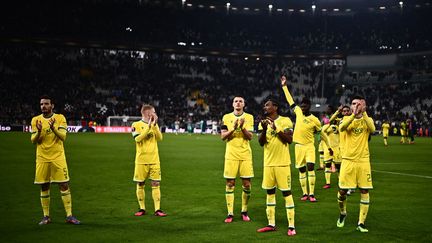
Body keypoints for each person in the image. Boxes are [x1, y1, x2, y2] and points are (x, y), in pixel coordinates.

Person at [30, 95, 80, 225]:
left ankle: (69, 216)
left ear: (52, 105)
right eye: (41, 104)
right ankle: (46, 217)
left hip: (58, 157)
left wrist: (53, 128)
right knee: (44, 186)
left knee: (64, 184)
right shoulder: (36, 120)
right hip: (42, 158)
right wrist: (39, 131)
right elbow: (33, 140)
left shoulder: (60, 118)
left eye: (46, 104)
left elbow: (63, 137)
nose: (43, 106)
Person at [281, 76, 324, 202]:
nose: (303, 108)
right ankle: (305, 193)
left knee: (310, 167)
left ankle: (312, 194)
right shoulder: (298, 111)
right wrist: (284, 87)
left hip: (309, 146)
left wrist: (326, 143)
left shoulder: (315, 120)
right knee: (301, 170)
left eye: (305, 106)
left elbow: (319, 132)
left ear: (309, 106)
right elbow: (290, 101)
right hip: (298, 146)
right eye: (302, 106)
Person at [256, 98, 296, 236]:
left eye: (267, 105)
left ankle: (291, 227)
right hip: (268, 164)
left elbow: (289, 140)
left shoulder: (285, 121)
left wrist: (276, 128)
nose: (265, 107)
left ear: (276, 107)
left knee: (286, 193)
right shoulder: (263, 122)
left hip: (282, 163)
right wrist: (265, 129)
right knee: (270, 193)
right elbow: (261, 143)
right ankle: (271, 224)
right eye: (264, 105)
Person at [336, 96, 375, 233]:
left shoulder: (367, 120)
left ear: (363, 105)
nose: (355, 106)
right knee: (342, 192)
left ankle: (361, 223)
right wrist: (353, 115)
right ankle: (343, 213)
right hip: (348, 160)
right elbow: (342, 128)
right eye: (353, 104)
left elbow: (373, 129)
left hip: (363, 161)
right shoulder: (346, 119)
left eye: (358, 104)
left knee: (364, 190)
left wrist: (363, 113)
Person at [221, 96, 254, 223]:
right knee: (230, 184)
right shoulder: (226, 117)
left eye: (240, 101)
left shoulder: (249, 117)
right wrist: (234, 128)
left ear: (244, 104)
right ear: (232, 104)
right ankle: (230, 213)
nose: (238, 103)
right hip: (231, 155)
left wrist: (242, 127)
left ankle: (244, 211)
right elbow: (223, 136)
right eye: (236, 101)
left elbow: (250, 136)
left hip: (245, 154)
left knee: (246, 184)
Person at [132, 104, 167, 217]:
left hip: (154, 160)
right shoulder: (136, 125)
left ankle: (158, 209)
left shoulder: (154, 125)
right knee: (140, 183)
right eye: (154, 112)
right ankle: (142, 208)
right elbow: (138, 138)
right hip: (141, 160)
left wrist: (155, 125)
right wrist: (148, 126)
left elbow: (160, 138)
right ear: (148, 113)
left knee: (156, 183)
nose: (155, 114)